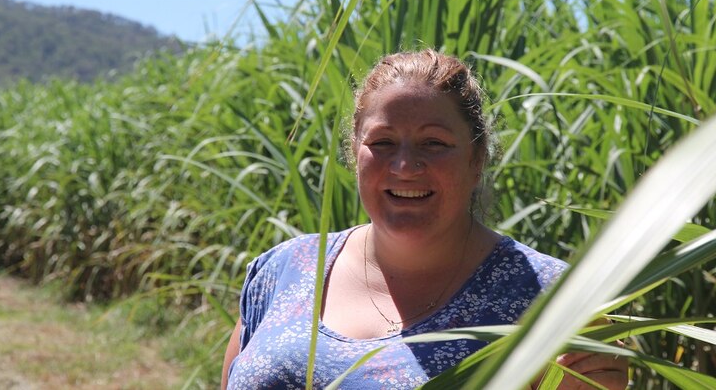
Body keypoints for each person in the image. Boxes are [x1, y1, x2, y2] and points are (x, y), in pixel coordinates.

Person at [221, 50, 628, 389]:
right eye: (382, 142)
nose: (405, 165)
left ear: (477, 157)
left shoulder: (552, 301)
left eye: (433, 143)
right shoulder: (282, 270)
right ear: (354, 152)